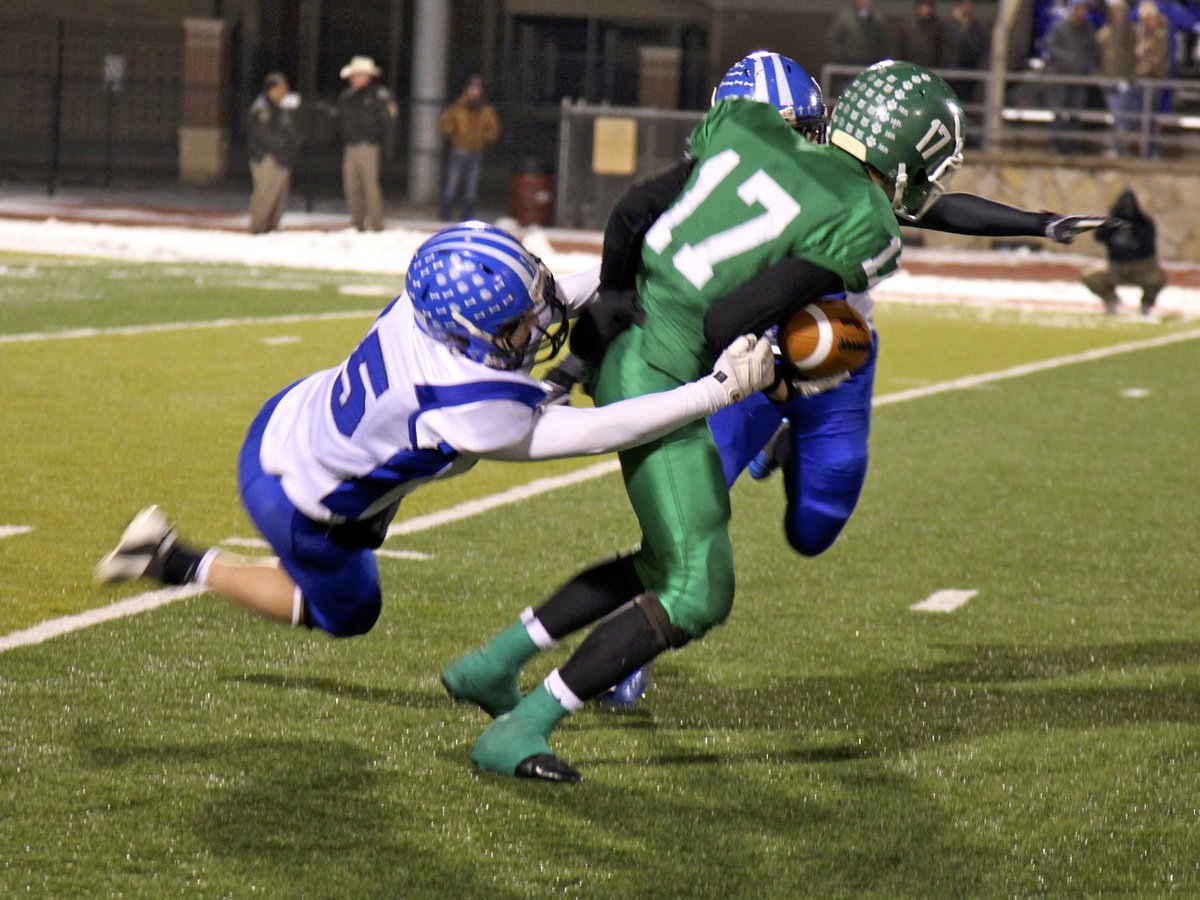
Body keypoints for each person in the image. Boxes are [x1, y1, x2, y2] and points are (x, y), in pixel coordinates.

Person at [441, 60, 966, 783]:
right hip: (661, 374)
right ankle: (525, 724)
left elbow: (631, 212)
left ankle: (491, 665)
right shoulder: (867, 220)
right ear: (911, 156)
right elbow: (730, 319)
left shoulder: (749, 127)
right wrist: (786, 368)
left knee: (661, 561)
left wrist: (616, 302)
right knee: (700, 588)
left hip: (624, 345)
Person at [593, 51, 1113, 708]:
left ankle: (781, 448)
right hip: (752, 358)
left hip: (835, 364)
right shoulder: (735, 174)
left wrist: (1040, 224)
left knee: (814, 528)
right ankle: (628, 657)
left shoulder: (848, 182)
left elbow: (930, 206)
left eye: (804, 127)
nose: (797, 143)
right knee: (689, 516)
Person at [94, 222, 773, 641]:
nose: (533, 326)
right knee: (348, 613)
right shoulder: (464, 401)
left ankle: (185, 557)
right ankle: (172, 559)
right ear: (469, 334)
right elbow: (599, 431)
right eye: (515, 328)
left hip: (295, 424)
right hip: (304, 502)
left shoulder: (427, 305)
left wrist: (641, 271)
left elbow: (547, 301)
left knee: (466, 435)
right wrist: (715, 392)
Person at [336, 56, 399, 232]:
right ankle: (357, 223)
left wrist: (388, 147)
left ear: (367, 76)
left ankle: (377, 224)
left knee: (370, 186)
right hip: (351, 146)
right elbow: (341, 121)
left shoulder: (380, 96)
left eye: (358, 75)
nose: (353, 79)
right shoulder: (346, 97)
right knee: (351, 186)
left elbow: (389, 124)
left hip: (370, 146)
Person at [1081, 188, 1166, 314]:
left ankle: (1146, 304)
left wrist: (1134, 225)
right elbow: (1098, 237)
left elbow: (1148, 243)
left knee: (1159, 277)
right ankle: (1111, 300)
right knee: (1090, 276)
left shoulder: (1144, 222)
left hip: (1141, 269)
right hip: (1116, 268)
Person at [439, 75, 502, 221]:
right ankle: (445, 214)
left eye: (478, 90)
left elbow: (494, 129)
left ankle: (466, 216)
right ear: (467, 90)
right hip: (458, 150)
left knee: (471, 188)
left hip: (476, 152)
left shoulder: (486, 110)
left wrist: (482, 138)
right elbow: (446, 123)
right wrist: (454, 133)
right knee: (452, 184)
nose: (475, 93)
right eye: (472, 89)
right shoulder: (457, 107)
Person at [246, 72, 300, 235]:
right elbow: (266, 136)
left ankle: (272, 228)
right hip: (267, 157)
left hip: (281, 158)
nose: (285, 90)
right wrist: (283, 148)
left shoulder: (280, 107)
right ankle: (259, 229)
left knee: (279, 196)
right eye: (282, 87)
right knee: (265, 195)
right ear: (272, 89)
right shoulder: (262, 108)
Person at [1043, 0, 1099, 154]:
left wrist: (1086, 64)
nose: (1083, 12)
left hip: (1079, 78)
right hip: (1061, 77)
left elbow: (1092, 50)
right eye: (1080, 8)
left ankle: (1071, 143)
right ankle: (1056, 143)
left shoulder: (1088, 29)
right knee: (1059, 110)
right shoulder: (1060, 27)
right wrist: (1067, 58)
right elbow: (1050, 46)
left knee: (1075, 111)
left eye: (1084, 9)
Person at [1096, 1, 1138, 157]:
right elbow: (1097, 56)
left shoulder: (1133, 33)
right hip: (1109, 80)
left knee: (1122, 115)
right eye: (1116, 12)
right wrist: (1099, 76)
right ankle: (1117, 146)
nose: (1119, 16)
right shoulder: (1104, 33)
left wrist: (1132, 76)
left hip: (1126, 80)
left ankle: (1118, 146)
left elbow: (1135, 56)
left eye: (1122, 13)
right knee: (1117, 114)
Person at [1134, 0, 1171, 156]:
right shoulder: (1138, 33)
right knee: (1141, 115)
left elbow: (1157, 59)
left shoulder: (1161, 35)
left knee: (1151, 115)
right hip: (1139, 79)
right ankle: (1143, 147)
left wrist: (1143, 59)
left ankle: (1152, 149)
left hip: (1154, 79)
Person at [947, 0, 991, 105]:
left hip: (970, 76)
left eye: (970, 4)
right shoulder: (949, 26)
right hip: (951, 74)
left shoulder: (980, 30)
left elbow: (983, 52)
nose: (968, 7)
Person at [897, 0, 952, 68]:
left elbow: (945, 54)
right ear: (917, 8)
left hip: (934, 70)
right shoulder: (907, 28)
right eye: (922, 6)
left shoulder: (941, 28)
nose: (925, 10)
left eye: (927, 6)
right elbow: (900, 52)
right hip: (910, 69)